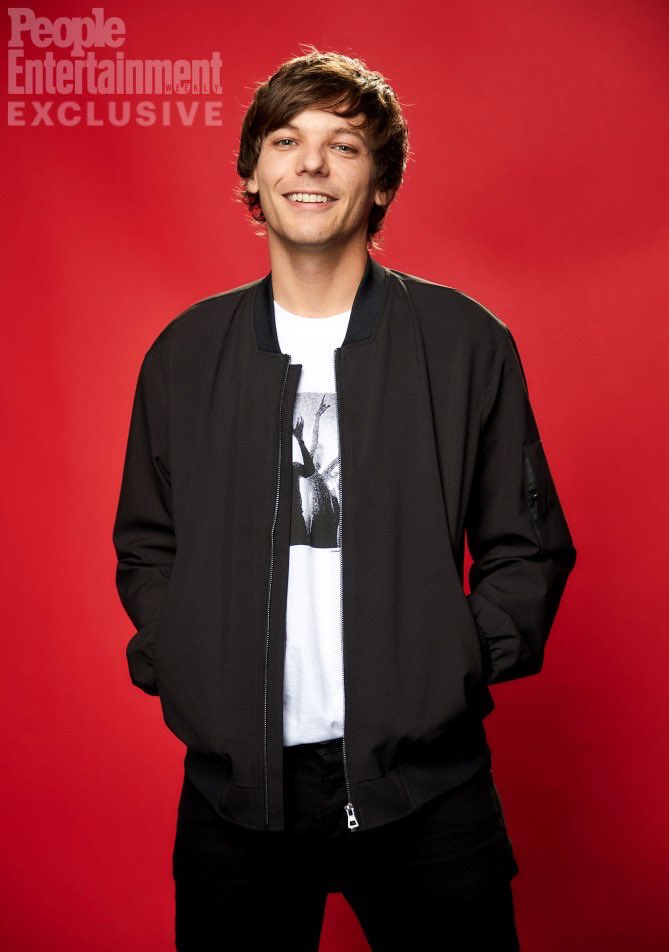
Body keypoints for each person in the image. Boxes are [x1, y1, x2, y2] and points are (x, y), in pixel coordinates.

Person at [112, 46, 577, 951]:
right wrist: (186, 657)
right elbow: (147, 544)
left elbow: (526, 545)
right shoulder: (185, 354)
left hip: (429, 795)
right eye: (286, 140)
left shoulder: (463, 343)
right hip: (236, 799)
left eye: (345, 144)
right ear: (253, 174)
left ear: (382, 183)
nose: (312, 164)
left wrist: (453, 663)